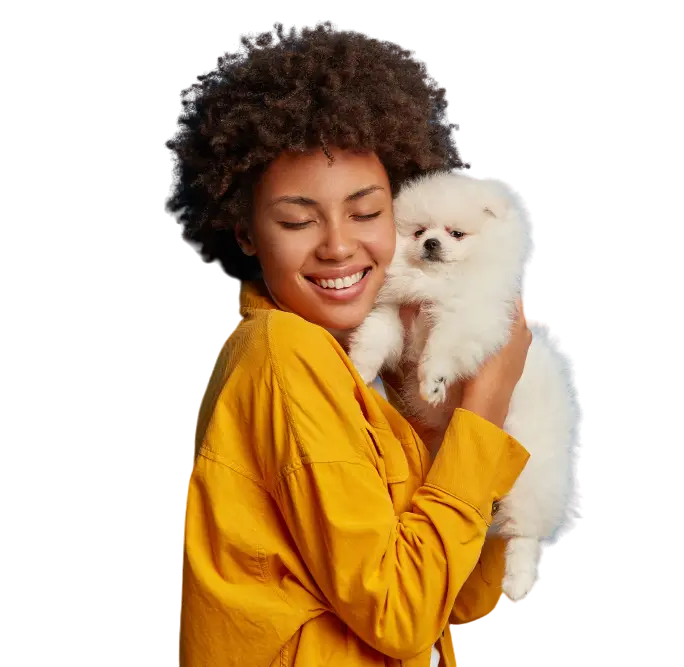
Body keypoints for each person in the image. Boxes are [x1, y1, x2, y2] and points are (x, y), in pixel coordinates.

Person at [168, 23, 533, 667]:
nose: (338, 246)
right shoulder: (285, 354)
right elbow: (399, 613)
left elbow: (457, 599)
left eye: (367, 213)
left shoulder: (364, 371)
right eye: (297, 220)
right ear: (246, 232)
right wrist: (484, 414)